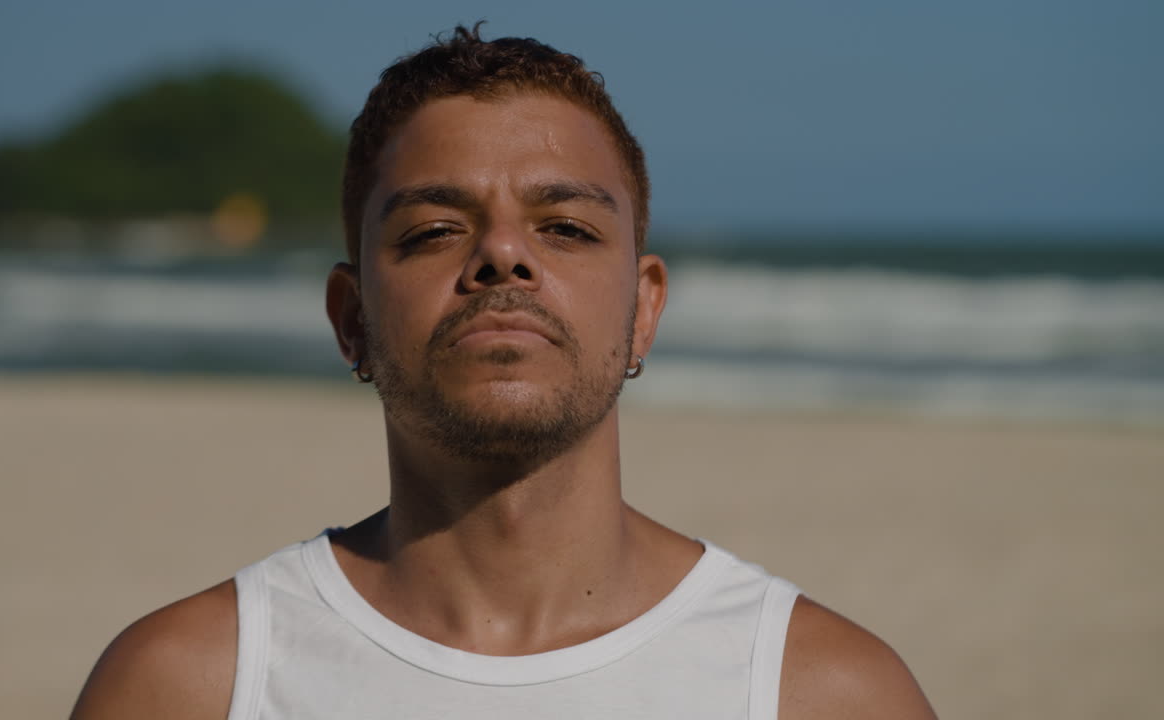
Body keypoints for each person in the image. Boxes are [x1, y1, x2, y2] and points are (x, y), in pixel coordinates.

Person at [71, 25, 936, 719]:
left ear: (644, 309)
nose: (503, 255)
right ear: (352, 320)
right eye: (433, 231)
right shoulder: (189, 686)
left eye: (565, 227)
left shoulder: (816, 691)